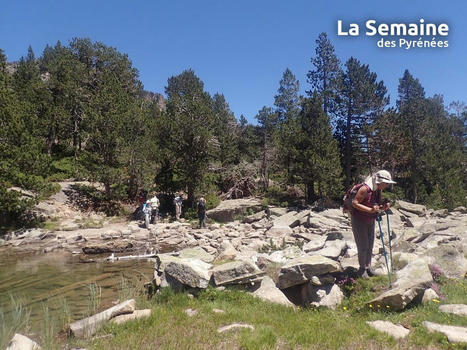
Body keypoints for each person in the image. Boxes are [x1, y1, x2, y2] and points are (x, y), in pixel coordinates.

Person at [351, 170, 395, 278]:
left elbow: (375, 205)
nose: (387, 185)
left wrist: (382, 207)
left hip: (370, 219)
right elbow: (354, 203)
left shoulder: (377, 190)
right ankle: (362, 270)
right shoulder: (365, 189)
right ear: (380, 181)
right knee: (363, 245)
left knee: (370, 244)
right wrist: (370, 210)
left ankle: (368, 267)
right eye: (386, 183)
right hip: (359, 219)